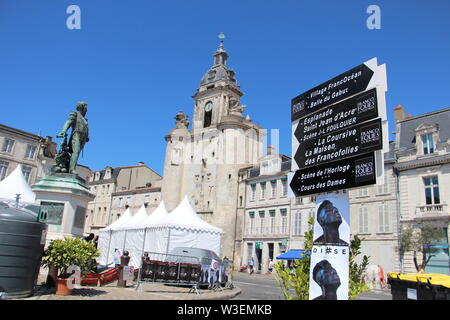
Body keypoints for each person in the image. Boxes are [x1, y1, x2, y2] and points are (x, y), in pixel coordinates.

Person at [56, 102, 90, 175]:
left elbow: (85, 128)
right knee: (76, 151)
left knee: (76, 154)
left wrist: (87, 137)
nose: (87, 110)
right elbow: (68, 122)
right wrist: (63, 131)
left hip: (83, 138)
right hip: (76, 135)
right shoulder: (75, 114)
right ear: (81, 107)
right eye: (86, 108)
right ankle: (72, 169)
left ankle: (70, 168)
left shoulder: (85, 119)